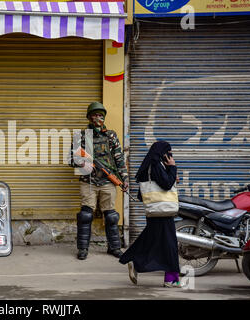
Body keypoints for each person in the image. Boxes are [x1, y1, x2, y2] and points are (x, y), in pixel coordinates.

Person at [69, 102, 129, 260]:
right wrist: (82, 163)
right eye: (94, 115)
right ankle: (83, 249)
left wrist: (125, 179)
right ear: (89, 117)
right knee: (85, 216)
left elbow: (119, 159)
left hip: (108, 182)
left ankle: (114, 247)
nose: (97, 118)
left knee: (111, 216)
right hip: (87, 182)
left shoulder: (111, 135)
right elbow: (70, 159)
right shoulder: (81, 136)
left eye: (100, 115)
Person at [119, 140, 181, 288]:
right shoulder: (156, 165)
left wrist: (170, 175)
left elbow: (142, 195)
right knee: (169, 245)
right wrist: (172, 169)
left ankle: (135, 262)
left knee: (151, 241)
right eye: (168, 152)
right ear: (162, 153)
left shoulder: (149, 166)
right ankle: (171, 279)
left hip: (155, 211)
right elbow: (166, 185)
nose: (170, 156)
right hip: (163, 213)